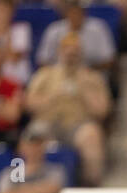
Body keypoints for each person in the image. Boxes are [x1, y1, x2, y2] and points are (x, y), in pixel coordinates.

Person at [24, 33, 110, 183]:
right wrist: (54, 96)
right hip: (47, 123)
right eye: (67, 51)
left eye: (75, 52)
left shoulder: (92, 77)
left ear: (81, 54)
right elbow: (29, 104)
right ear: (60, 52)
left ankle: (91, 186)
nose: (71, 55)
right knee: (33, 135)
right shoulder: (45, 74)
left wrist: (83, 90)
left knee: (92, 136)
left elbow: (102, 111)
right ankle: (30, 182)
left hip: (78, 125)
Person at [0, 123, 66, 193]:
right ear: (20, 148)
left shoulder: (55, 170)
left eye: (38, 144)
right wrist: (38, 189)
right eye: (29, 145)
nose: (33, 149)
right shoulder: (9, 173)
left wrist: (18, 192)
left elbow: (53, 190)